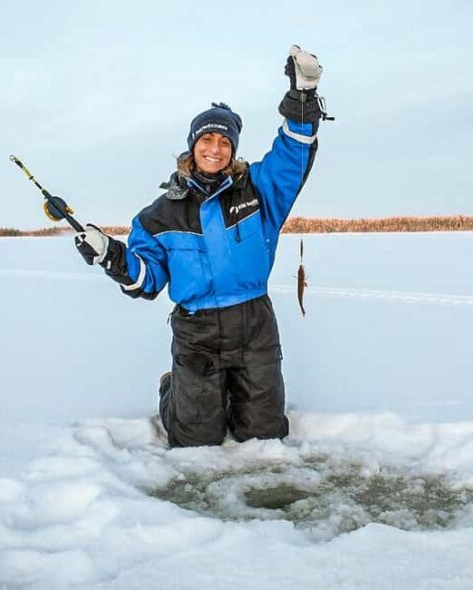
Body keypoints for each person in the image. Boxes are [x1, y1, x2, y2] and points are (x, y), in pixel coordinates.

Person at [74, 45, 328, 448]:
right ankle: (173, 387)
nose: (215, 148)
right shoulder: (158, 216)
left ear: (233, 149)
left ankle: (228, 394)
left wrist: (303, 96)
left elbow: (293, 153)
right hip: (197, 332)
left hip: (254, 322)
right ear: (192, 145)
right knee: (195, 440)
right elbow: (147, 279)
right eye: (207, 139)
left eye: (224, 141)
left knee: (263, 435)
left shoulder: (260, 190)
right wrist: (112, 256)